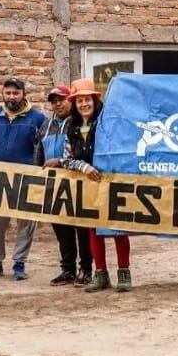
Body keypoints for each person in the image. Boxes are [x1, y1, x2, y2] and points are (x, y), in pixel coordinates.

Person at [0, 76, 47, 281]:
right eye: (8, 93)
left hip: (26, 179)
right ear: (3, 94)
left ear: (24, 94)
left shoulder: (38, 119)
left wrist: (40, 175)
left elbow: (45, 150)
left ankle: (19, 263)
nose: (11, 96)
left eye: (16, 92)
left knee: (26, 222)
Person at [62, 79, 133, 293]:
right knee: (93, 229)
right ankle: (101, 274)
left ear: (95, 100)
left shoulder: (106, 122)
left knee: (118, 228)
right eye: (79, 101)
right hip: (88, 183)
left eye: (87, 100)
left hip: (110, 182)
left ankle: (124, 273)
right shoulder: (71, 127)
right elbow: (66, 158)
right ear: (74, 104)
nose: (84, 104)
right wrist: (83, 167)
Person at [35, 84, 93, 286]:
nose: (57, 104)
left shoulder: (77, 124)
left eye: (61, 99)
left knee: (83, 228)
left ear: (71, 100)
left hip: (79, 183)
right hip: (54, 185)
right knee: (61, 229)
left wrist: (61, 161)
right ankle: (67, 269)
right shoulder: (44, 126)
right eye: (53, 100)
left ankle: (86, 269)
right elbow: (39, 154)